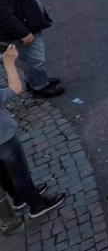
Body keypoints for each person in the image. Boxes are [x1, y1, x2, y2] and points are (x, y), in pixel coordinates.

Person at [0, 45, 66, 218]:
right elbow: (15, 88)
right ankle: (36, 204)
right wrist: (9, 63)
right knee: (20, 174)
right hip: (4, 137)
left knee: (4, 173)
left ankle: (18, 198)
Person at [0, 0, 63, 97]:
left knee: (31, 59)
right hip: (25, 32)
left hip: (30, 28)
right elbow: (5, 16)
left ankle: (37, 80)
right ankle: (40, 88)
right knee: (35, 60)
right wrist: (23, 33)